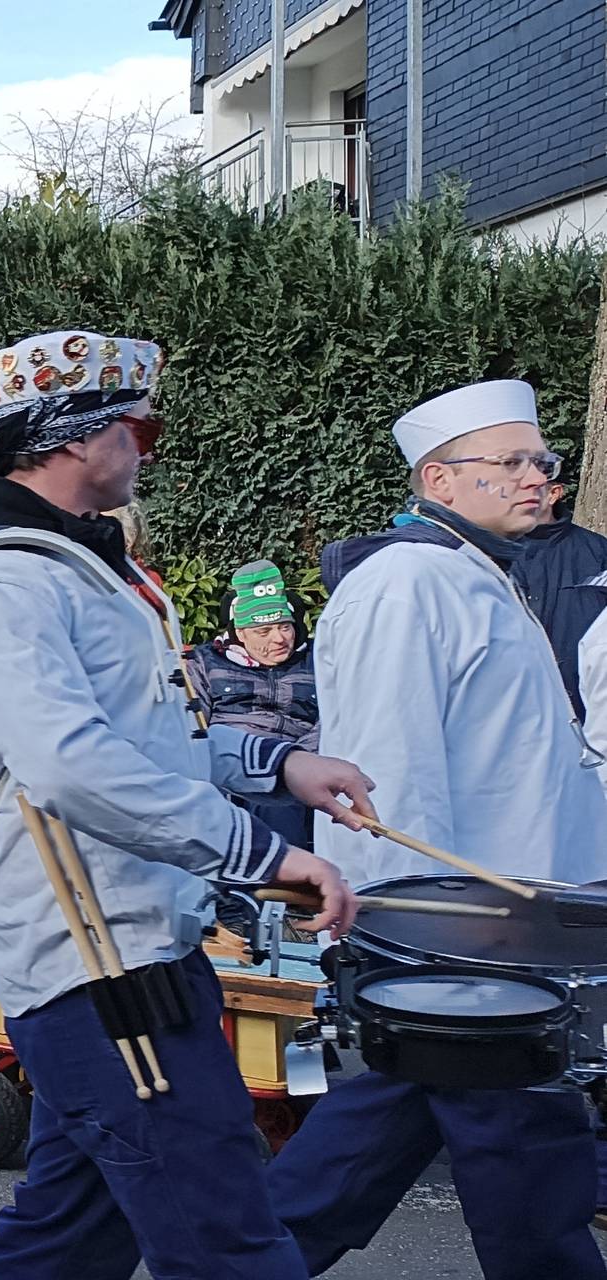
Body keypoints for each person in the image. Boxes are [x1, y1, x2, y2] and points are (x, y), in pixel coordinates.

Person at [0, 329, 367, 1279]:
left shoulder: (88, 569)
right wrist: (262, 853)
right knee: (229, 1246)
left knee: (69, 1240)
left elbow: (154, 737)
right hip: (98, 970)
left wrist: (276, 767)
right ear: (73, 438)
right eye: (142, 428)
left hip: (135, 953)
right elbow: (70, 766)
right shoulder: (4, 579)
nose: (150, 448)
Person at [268, 378, 607, 1280]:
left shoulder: (476, 572)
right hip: (471, 943)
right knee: (530, 1166)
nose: (542, 479)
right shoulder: (407, 583)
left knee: (359, 1154)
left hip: (507, 927)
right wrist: (416, 944)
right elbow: (384, 783)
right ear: (439, 478)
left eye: (545, 461)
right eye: (516, 463)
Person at [185, 559, 320, 847]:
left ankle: (283, 888)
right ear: (240, 633)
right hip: (226, 770)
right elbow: (192, 727)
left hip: (294, 772)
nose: (279, 638)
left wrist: (294, 761)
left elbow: (335, 719)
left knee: (279, 804)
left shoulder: (317, 662)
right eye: (264, 631)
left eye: (285, 626)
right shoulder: (205, 663)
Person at [516, 479, 607, 722]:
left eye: (525, 487)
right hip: (515, 712)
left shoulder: (598, 552)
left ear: (553, 493)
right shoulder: (490, 554)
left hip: (589, 714)